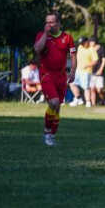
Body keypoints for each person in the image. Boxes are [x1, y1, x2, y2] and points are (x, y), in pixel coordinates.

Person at [33, 11, 77, 146]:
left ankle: (51, 136)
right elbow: (37, 49)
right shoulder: (42, 35)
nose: (49, 24)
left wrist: (73, 71)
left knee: (57, 108)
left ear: (58, 23)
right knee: (53, 102)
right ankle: (47, 132)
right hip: (46, 74)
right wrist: (46, 34)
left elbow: (73, 56)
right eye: (47, 22)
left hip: (61, 76)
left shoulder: (67, 37)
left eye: (51, 22)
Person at [70, 37, 97, 107]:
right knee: (71, 83)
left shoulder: (92, 49)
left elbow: (95, 61)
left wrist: (87, 65)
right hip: (77, 70)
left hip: (86, 71)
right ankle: (78, 98)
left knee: (85, 87)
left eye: (83, 43)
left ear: (87, 42)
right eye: (81, 44)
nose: (82, 45)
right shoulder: (80, 47)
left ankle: (88, 102)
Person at [90, 36, 105, 106]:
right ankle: (93, 104)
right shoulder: (90, 49)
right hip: (91, 71)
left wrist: (101, 69)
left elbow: (104, 60)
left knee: (99, 89)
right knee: (92, 88)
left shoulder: (101, 49)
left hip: (99, 72)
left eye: (91, 42)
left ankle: (103, 101)